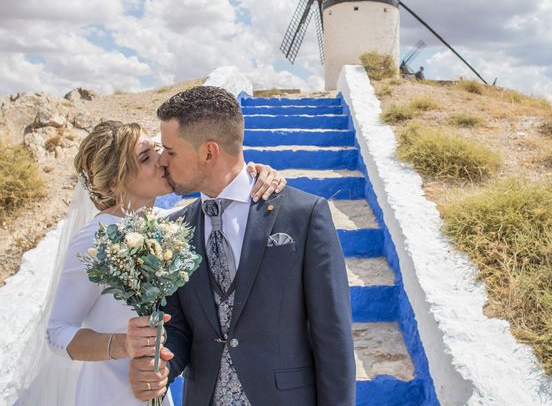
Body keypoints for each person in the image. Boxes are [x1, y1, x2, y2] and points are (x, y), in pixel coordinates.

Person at [127, 86, 356, 405]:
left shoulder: (303, 214)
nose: (163, 160)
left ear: (209, 152)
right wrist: (160, 369)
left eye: (171, 151)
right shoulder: (174, 228)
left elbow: (334, 338)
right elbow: (179, 328)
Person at [39, 120, 285, 406]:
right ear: (115, 182)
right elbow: (57, 332)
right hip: (108, 394)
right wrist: (123, 344)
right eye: (145, 158)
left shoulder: (167, 227)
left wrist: (255, 177)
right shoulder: (96, 238)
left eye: (156, 149)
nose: (161, 160)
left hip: (156, 387)